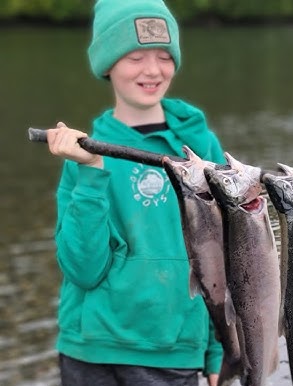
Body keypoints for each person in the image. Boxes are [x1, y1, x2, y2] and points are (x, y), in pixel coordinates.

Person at [45, 1, 226, 385]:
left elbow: (221, 254)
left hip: (173, 349)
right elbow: (83, 269)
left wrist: (218, 348)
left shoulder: (201, 148)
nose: (152, 70)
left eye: (164, 57)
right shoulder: (82, 152)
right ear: (108, 64)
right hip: (90, 351)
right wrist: (91, 170)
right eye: (135, 57)